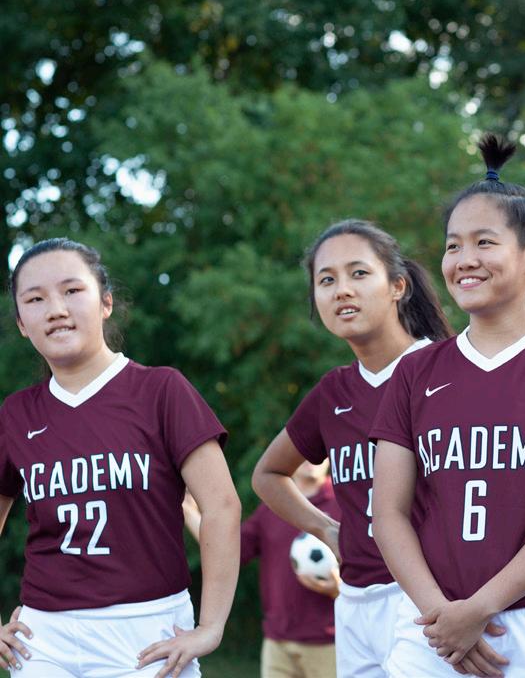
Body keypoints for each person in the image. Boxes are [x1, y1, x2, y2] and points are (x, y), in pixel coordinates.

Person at [371, 135, 525, 678]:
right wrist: (443, 616)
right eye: (453, 246)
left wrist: (480, 609)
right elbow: (388, 513)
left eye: (484, 243)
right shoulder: (414, 372)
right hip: (428, 626)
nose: (465, 260)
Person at [0, 238, 240, 677]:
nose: (56, 309)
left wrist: (211, 626)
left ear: (106, 302)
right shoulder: (16, 413)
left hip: (146, 631)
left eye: (72, 290)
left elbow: (222, 507)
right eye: (35, 299)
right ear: (21, 323)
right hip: (42, 637)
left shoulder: (162, 390)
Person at [252, 220, 452, 677]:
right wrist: (326, 529)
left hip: (429, 597)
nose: (342, 289)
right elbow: (268, 475)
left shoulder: (447, 370)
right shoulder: (333, 392)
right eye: (326, 280)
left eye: (359, 273)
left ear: (397, 285)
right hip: (355, 602)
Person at [182, 461, 341, 677]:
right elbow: (231, 550)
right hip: (278, 644)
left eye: (318, 452)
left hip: (330, 642)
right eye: (304, 452)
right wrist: (189, 511)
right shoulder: (274, 506)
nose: (311, 459)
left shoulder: (342, 503)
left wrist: (338, 589)